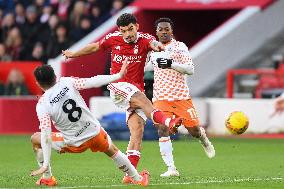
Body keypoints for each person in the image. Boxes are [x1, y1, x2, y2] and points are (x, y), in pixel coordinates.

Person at [62, 13, 183, 183]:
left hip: (135, 90)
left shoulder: (145, 39)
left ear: (137, 27)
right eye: (124, 31)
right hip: (118, 86)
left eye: (131, 29)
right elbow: (95, 47)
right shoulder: (113, 39)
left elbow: (152, 43)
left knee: (137, 131)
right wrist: (74, 54)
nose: (128, 34)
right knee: (142, 99)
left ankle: (130, 174)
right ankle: (168, 122)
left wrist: (157, 46)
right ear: (120, 31)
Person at [30, 61, 149, 187]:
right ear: (55, 76)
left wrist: (45, 163)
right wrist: (118, 76)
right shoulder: (67, 82)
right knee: (112, 150)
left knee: (35, 138)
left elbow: (46, 135)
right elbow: (93, 81)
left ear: (38, 83)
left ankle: (47, 177)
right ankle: (137, 178)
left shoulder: (42, 104)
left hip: (74, 143)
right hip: (94, 133)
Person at [146, 18, 215, 177]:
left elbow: (190, 69)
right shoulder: (153, 49)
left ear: (171, 31)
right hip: (160, 98)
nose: (164, 32)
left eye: (166, 29)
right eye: (161, 29)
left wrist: (171, 64)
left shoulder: (180, 47)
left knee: (194, 131)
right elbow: (147, 67)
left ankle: (204, 139)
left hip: (181, 97)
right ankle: (171, 168)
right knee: (162, 129)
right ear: (156, 32)